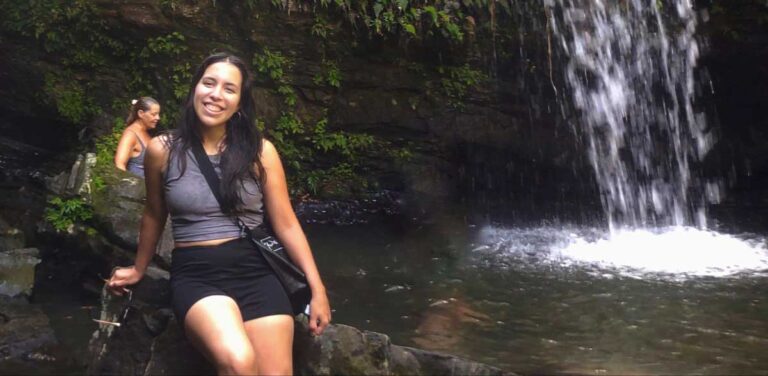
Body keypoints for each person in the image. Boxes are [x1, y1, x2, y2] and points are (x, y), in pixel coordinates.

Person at [107, 52, 331, 375]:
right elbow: (154, 214)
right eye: (209, 83)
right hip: (198, 274)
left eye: (229, 88)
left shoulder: (260, 151)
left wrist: (318, 289)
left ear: (239, 103)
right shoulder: (163, 150)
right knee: (238, 361)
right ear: (195, 89)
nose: (216, 94)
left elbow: (286, 223)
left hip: (256, 270)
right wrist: (139, 268)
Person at [114, 97, 161, 177]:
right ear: (141, 113)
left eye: (158, 114)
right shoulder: (130, 134)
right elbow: (119, 164)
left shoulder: (145, 133)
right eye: (153, 114)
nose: (158, 118)